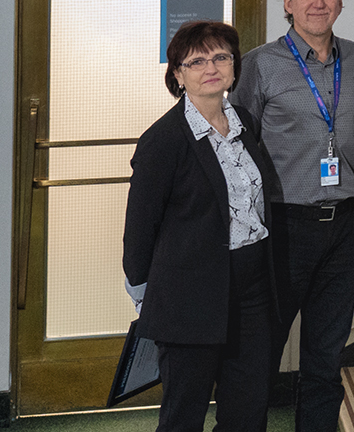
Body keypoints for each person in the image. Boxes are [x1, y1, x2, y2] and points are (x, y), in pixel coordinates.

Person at [229, 0, 354, 432]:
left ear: (342, 0)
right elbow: (239, 145)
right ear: (288, 1)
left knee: (326, 355)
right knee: (260, 353)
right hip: (283, 226)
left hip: (345, 226)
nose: (319, 2)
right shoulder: (259, 65)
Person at [124, 21, 281, 432]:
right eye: (196, 61)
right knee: (184, 413)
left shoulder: (244, 120)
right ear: (177, 74)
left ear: (234, 65)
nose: (210, 67)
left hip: (253, 287)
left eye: (221, 57)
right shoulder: (163, 140)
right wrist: (145, 293)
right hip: (190, 293)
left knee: (248, 408)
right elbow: (140, 227)